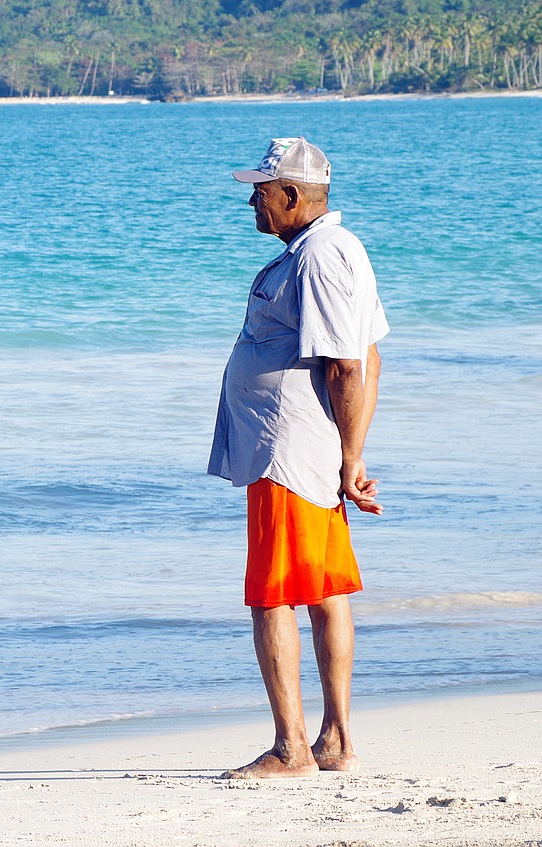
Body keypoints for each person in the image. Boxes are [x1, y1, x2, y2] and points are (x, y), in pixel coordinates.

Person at [209, 137, 388, 779]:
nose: (253, 202)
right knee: (322, 590)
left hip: (289, 452)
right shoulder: (325, 251)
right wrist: (350, 455)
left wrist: (350, 457)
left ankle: (294, 750)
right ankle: (333, 740)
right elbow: (365, 353)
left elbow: (349, 364)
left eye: (261, 191)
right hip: (305, 450)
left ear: (292, 194)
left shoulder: (320, 258)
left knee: (274, 595)